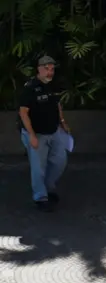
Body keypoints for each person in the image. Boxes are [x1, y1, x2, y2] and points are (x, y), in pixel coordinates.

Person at [18, 55, 71, 212]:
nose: (50, 72)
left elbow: (57, 104)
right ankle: (41, 197)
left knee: (60, 161)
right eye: (46, 69)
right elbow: (23, 113)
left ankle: (48, 188)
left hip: (53, 131)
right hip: (37, 133)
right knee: (38, 167)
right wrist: (32, 135)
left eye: (52, 69)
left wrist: (62, 122)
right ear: (38, 69)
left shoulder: (52, 85)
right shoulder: (30, 88)